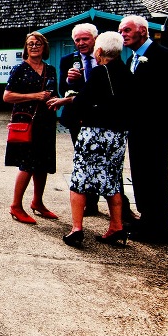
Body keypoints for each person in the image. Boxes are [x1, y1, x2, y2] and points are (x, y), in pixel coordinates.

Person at [58, 31, 134, 248]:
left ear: (98, 51)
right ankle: (116, 226)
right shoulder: (126, 72)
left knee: (80, 179)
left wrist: (70, 107)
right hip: (118, 135)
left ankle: (76, 229)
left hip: (94, 134)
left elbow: (82, 102)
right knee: (112, 178)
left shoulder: (100, 73)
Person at [118, 14, 168, 245]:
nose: (122, 34)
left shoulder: (162, 55)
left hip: (156, 129)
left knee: (155, 176)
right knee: (140, 175)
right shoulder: (132, 60)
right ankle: (147, 220)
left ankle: (162, 227)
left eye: (127, 30)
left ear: (143, 31)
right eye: (121, 31)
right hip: (136, 129)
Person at [3, 31, 59, 225]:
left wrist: (59, 101)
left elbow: (54, 93)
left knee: (43, 163)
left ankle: (38, 202)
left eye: (38, 44)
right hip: (27, 122)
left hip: (46, 122)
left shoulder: (51, 70)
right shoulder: (19, 69)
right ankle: (16, 206)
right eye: (30, 44)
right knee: (27, 164)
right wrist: (34, 96)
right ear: (25, 48)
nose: (34, 47)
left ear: (44, 47)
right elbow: (7, 96)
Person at [58, 22, 100, 216]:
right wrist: (69, 81)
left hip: (103, 118)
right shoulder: (68, 60)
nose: (81, 43)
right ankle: (90, 203)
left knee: (108, 161)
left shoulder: (104, 57)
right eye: (77, 40)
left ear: (94, 39)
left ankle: (121, 207)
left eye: (85, 39)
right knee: (84, 160)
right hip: (79, 119)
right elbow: (61, 90)